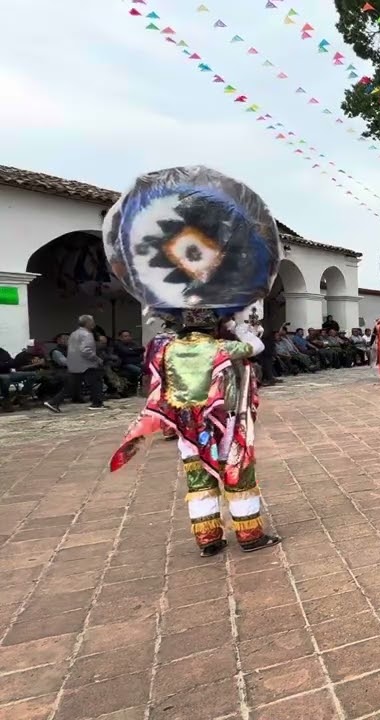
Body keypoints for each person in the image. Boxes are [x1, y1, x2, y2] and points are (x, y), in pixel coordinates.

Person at [104, 165, 284, 557]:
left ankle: (208, 539)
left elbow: (156, 386)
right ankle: (250, 535)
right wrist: (239, 327)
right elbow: (256, 348)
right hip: (224, 421)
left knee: (197, 477)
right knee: (237, 470)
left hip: (187, 425)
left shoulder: (162, 348)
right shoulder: (222, 348)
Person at [44, 315, 107, 412]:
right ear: (88, 323)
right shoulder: (87, 334)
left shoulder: (74, 334)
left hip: (74, 363)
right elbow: (86, 350)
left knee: (72, 385)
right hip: (86, 363)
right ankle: (97, 403)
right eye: (92, 322)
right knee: (96, 381)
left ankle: (53, 402)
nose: (94, 324)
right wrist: (97, 359)